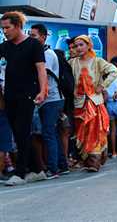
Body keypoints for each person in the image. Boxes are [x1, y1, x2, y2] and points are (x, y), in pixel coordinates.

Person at [0, 12, 48, 186]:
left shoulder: (33, 45)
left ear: (18, 25)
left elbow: (41, 69)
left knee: (22, 131)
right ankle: (38, 170)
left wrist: (43, 90)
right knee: (20, 133)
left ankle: (20, 173)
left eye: (7, 27)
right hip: (9, 95)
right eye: (2, 28)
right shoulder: (4, 47)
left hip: (28, 94)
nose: (5, 31)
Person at [70, 35, 117, 172]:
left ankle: (94, 163)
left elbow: (114, 71)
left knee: (95, 131)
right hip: (79, 102)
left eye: (81, 45)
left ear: (89, 45)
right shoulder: (73, 63)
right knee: (83, 132)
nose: (78, 48)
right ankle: (87, 161)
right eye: (76, 46)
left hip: (94, 101)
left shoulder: (98, 61)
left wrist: (102, 86)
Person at [29, 24, 69, 178]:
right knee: (52, 133)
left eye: (34, 36)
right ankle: (62, 165)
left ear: (43, 37)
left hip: (51, 99)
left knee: (48, 133)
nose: (31, 38)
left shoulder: (47, 55)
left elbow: (41, 76)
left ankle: (53, 169)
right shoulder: (42, 53)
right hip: (50, 99)